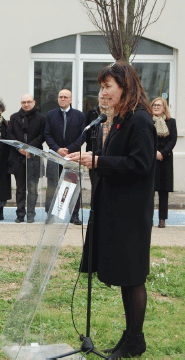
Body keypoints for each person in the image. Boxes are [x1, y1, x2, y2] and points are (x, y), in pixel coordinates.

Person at [67, 61, 157, 358]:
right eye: (101, 87)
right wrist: (95, 156)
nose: (102, 92)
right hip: (115, 208)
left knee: (132, 276)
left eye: (108, 87)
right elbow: (117, 158)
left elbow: (140, 165)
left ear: (125, 87)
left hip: (131, 213)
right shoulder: (120, 119)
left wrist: (98, 162)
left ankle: (135, 341)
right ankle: (130, 338)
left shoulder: (141, 121)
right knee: (125, 275)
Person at [44, 89, 85, 225]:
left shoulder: (79, 116)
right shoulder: (50, 115)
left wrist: (70, 149)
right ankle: (51, 215)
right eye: (60, 97)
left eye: (65, 97)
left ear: (71, 100)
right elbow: (47, 134)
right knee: (53, 186)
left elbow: (82, 136)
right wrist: (57, 149)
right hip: (55, 156)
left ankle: (74, 215)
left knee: (72, 186)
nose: (62, 99)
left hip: (71, 157)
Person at [7, 94, 45, 223]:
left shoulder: (41, 118)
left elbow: (42, 136)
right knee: (20, 189)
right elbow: (10, 134)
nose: (26, 104)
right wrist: (20, 148)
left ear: (34, 102)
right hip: (18, 157)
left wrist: (29, 148)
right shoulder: (14, 117)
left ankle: (31, 214)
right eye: (23, 102)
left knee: (32, 189)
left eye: (29, 102)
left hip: (33, 157)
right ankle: (20, 214)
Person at [151, 97, 177, 228]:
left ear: (164, 108)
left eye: (159, 105)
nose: (156, 107)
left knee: (163, 192)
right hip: (151, 159)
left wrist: (163, 153)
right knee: (149, 191)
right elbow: (146, 138)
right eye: (154, 105)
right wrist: (154, 152)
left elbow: (173, 139)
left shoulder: (171, 122)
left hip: (165, 160)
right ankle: (148, 218)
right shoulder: (148, 121)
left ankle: (162, 219)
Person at [85, 91, 115, 185]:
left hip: (111, 155)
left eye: (107, 99)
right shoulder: (92, 113)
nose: (104, 101)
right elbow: (86, 132)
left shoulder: (116, 113)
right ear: (98, 99)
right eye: (102, 98)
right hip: (94, 153)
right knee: (95, 185)